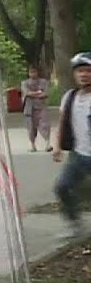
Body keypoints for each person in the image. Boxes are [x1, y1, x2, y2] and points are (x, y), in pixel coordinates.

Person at [53, 53, 91, 239]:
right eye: (80, 71)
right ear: (74, 74)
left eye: (88, 71)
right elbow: (62, 122)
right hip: (78, 154)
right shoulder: (70, 97)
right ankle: (74, 225)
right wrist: (57, 146)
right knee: (62, 187)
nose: (84, 75)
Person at [21, 65, 53, 152]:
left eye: (34, 72)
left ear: (38, 72)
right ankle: (32, 145)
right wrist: (38, 92)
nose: (33, 74)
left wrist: (33, 94)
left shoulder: (43, 82)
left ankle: (48, 144)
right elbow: (27, 93)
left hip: (41, 106)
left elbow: (45, 93)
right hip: (29, 108)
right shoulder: (24, 83)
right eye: (31, 72)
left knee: (44, 124)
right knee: (31, 127)